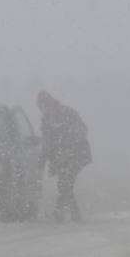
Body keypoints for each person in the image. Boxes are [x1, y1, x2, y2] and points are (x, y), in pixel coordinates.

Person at [37, 90, 92, 222]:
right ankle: (68, 214)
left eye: (44, 104)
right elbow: (47, 142)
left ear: (51, 103)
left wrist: (68, 149)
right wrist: (42, 160)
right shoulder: (46, 119)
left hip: (77, 155)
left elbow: (81, 130)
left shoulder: (66, 112)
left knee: (65, 183)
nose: (42, 108)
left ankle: (65, 213)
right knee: (64, 184)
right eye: (40, 106)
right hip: (62, 158)